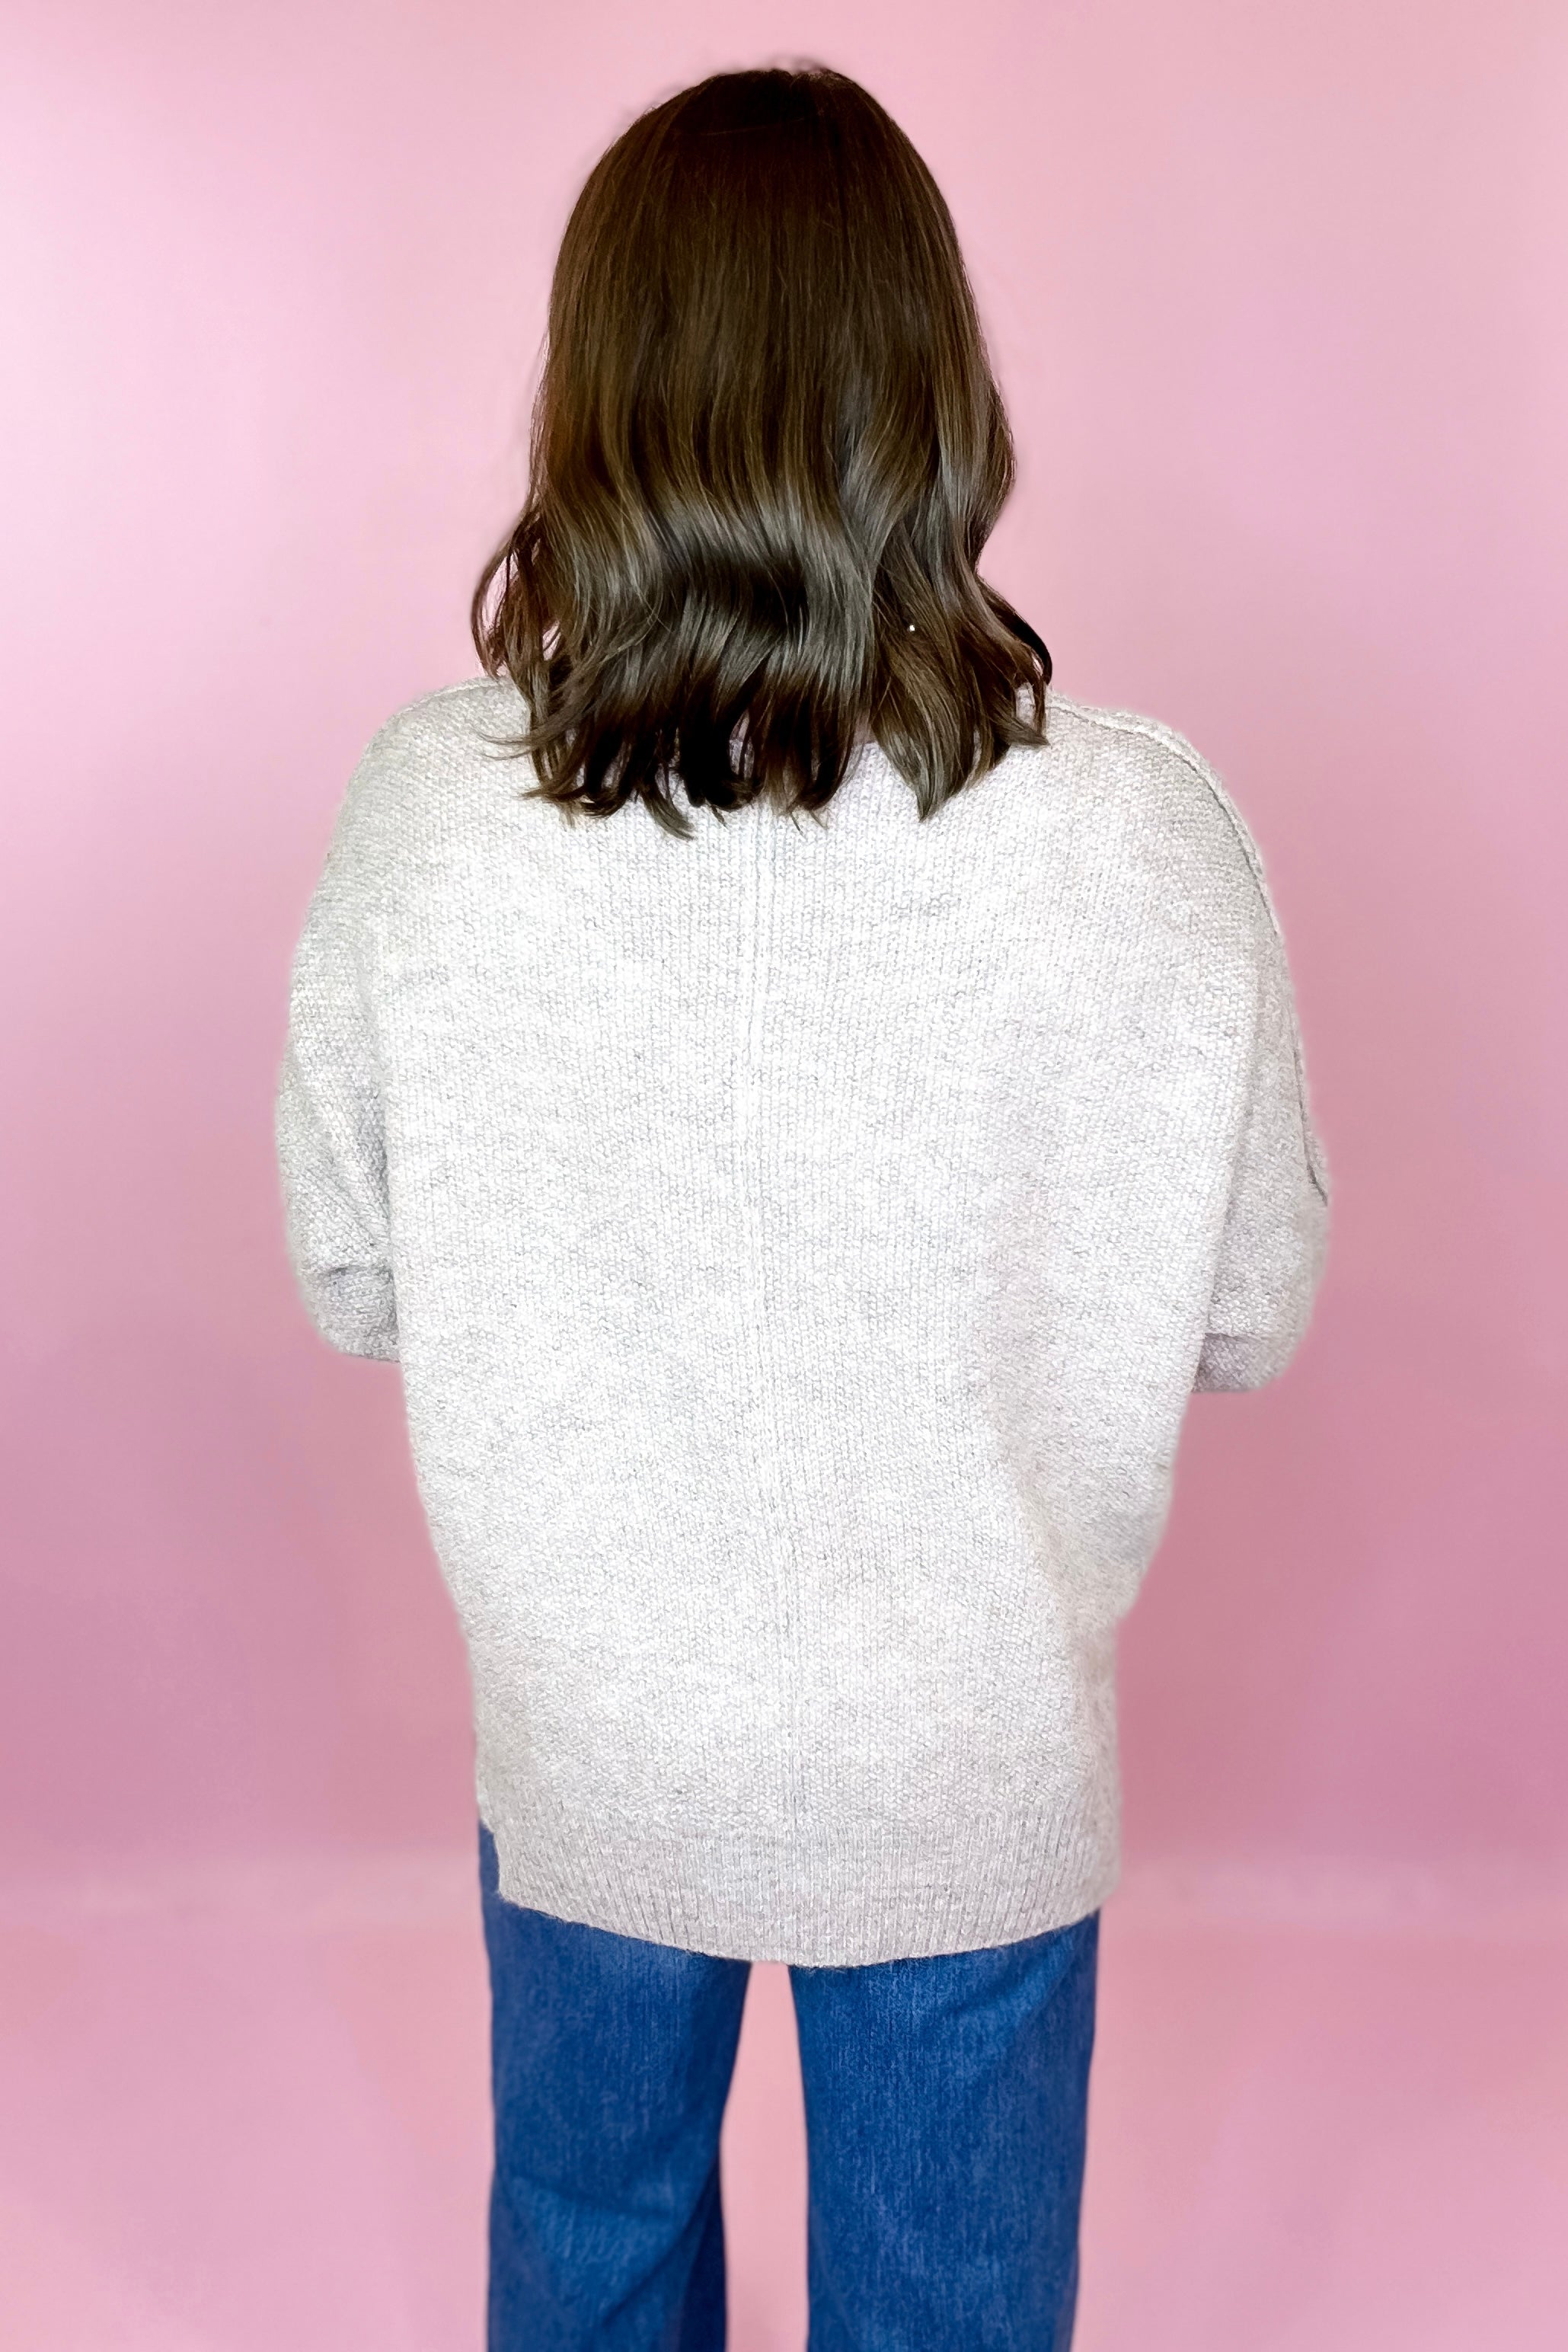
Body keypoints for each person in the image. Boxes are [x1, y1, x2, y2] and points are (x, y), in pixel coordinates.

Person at [274, 63, 1330, 2352]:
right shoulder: (1148, 836)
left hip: (591, 1731)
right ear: (937, 394)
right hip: (970, 1748)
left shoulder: (424, 818)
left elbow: (352, 1274)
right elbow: (1252, 1307)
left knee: (589, 2248)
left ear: (594, 396)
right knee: (952, 2310)